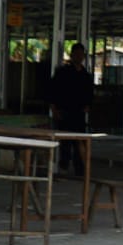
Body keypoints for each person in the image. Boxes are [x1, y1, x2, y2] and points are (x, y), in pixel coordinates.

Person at [48, 42, 94, 175]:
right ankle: (63, 166)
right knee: (65, 142)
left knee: (80, 142)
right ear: (72, 55)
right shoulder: (63, 72)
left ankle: (80, 169)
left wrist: (88, 106)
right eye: (76, 54)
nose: (79, 57)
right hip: (64, 112)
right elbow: (52, 92)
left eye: (81, 54)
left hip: (79, 113)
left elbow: (90, 94)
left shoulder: (86, 75)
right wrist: (54, 109)